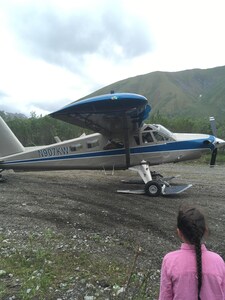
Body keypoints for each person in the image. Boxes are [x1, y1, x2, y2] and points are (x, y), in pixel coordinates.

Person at [158, 206, 225, 300]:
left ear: (179, 232)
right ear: (205, 231)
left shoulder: (169, 261)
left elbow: (165, 297)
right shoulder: (218, 261)